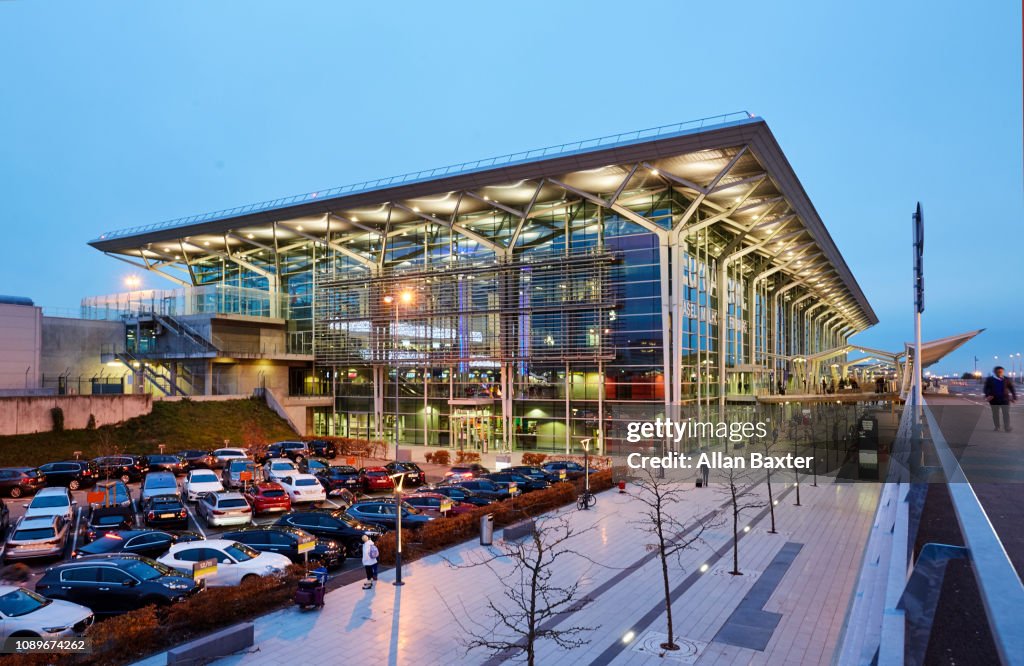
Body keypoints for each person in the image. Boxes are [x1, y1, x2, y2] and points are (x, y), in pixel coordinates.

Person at [984, 366, 1017, 432]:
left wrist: (1014, 396)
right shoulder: (990, 379)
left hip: (1005, 399)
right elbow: (986, 388)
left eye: (1001, 371)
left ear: (1003, 372)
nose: (1000, 372)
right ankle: (997, 427)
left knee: (1006, 413)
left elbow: (1011, 388)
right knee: (995, 414)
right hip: (994, 400)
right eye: (998, 371)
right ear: (995, 372)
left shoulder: (1006, 379)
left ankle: (1007, 427)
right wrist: (988, 395)